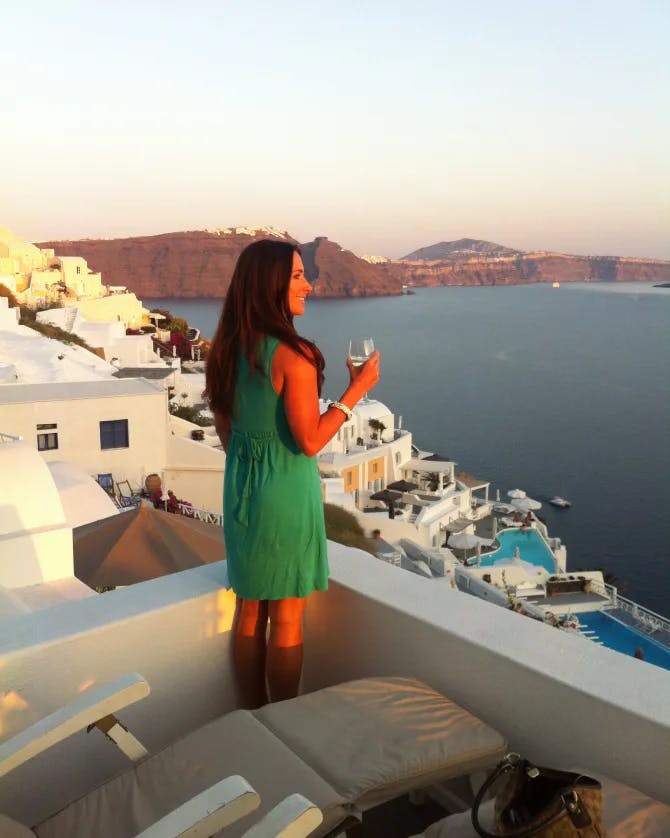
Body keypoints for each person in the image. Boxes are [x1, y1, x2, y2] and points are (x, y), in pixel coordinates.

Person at [205, 239, 380, 708]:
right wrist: (356, 390)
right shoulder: (292, 356)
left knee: (249, 609)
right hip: (284, 493)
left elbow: (228, 434)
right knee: (285, 616)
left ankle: (251, 712)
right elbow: (309, 440)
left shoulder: (226, 350)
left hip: (243, 490)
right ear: (271, 285)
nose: (308, 284)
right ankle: (284, 719)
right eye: (298, 276)